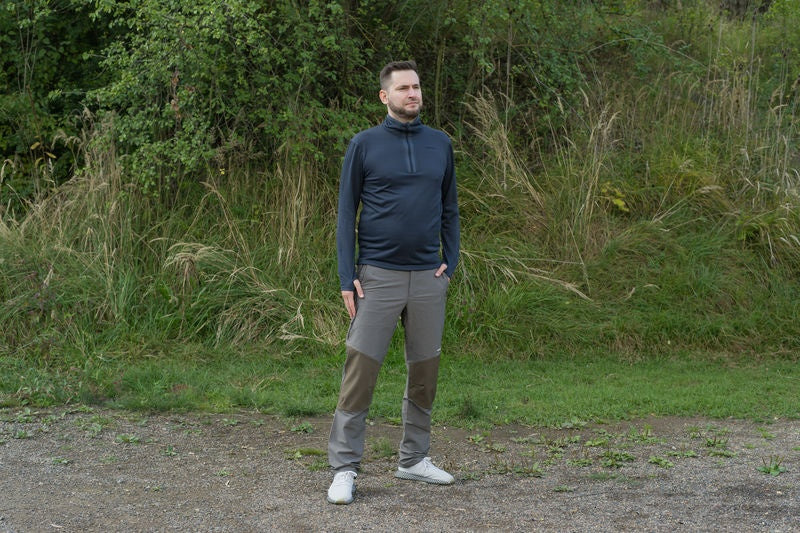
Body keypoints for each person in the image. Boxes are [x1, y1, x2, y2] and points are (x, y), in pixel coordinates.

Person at [326, 60, 460, 505]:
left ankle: (413, 459)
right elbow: (347, 213)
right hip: (376, 276)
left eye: (416, 87)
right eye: (403, 88)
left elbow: (450, 207)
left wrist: (451, 261)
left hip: (427, 277)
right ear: (385, 96)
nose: (413, 94)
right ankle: (345, 468)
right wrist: (347, 276)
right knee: (360, 372)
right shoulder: (364, 145)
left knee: (425, 372)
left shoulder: (440, 144)